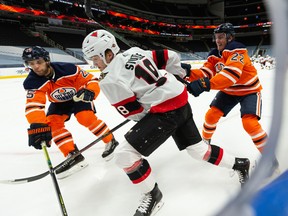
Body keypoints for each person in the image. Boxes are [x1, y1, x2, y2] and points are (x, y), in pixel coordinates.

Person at [82, 29, 250, 216]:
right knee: (198, 150)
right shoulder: (133, 51)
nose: (94, 63)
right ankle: (240, 164)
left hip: (166, 112)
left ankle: (152, 195)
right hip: (180, 99)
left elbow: (134, 112)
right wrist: (177, 76)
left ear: (108, 53)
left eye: (95, 59)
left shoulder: (108, 80)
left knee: (124, 155)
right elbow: (169, 56)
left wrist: (148, 115)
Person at [22, 46, 119, 179]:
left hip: (79, 95)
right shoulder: (32, 81)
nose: (36, 67)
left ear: (46, 60)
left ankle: (110, 140)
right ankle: (73, 155)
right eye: (31, 64)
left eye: (38, 62)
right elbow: (34, 105)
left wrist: (90, 90)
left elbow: (90, 80)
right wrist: (37, 124)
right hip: (59, 102)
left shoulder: (68, 69)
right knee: (52, 124)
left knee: (84, 117)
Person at [184, 23, 268, 154]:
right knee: (211, 116)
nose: (217, 40)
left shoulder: (237, 50)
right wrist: (187, 73)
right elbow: (206, 72)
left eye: (221, 37)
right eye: (216, 37)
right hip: (229, 91)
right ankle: (205, 144)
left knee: (249, 124)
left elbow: (230, 75)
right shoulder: (214, 55)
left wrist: (205, 84)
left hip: (249, 91)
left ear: (230, 38)